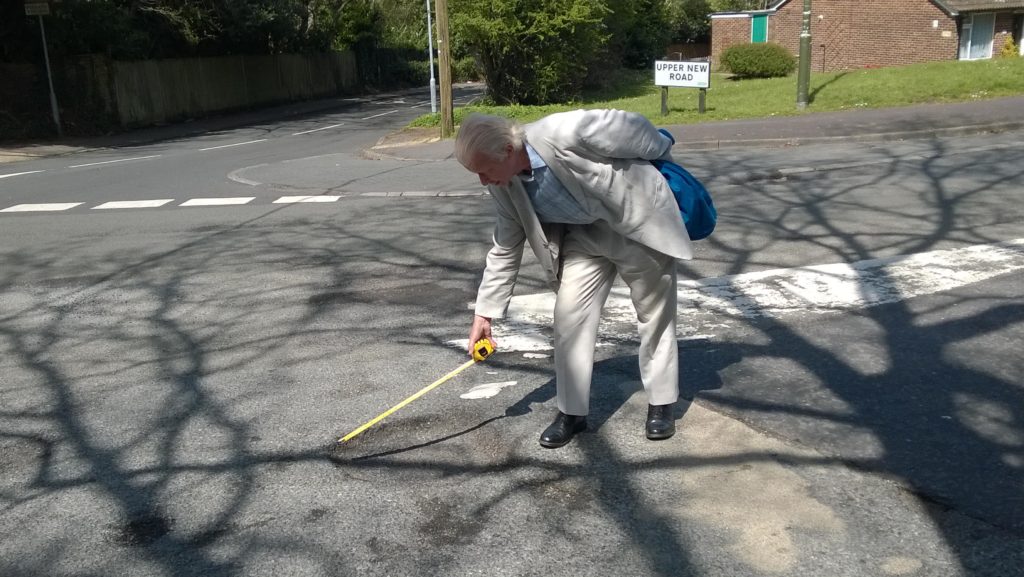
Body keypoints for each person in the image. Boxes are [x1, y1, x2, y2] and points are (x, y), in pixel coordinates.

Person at [454, 109, 694, 448]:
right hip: (584, 237)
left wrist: (662, 145)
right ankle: (572, 412)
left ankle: (661, 403)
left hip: (635, 224)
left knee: (655, 315)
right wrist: (484, 313)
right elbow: (505, 248)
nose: (482, 181)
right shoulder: (504, 186)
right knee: (569, 318)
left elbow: (635, 129)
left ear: (507, 151)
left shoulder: (568, 131)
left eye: (483, 170)